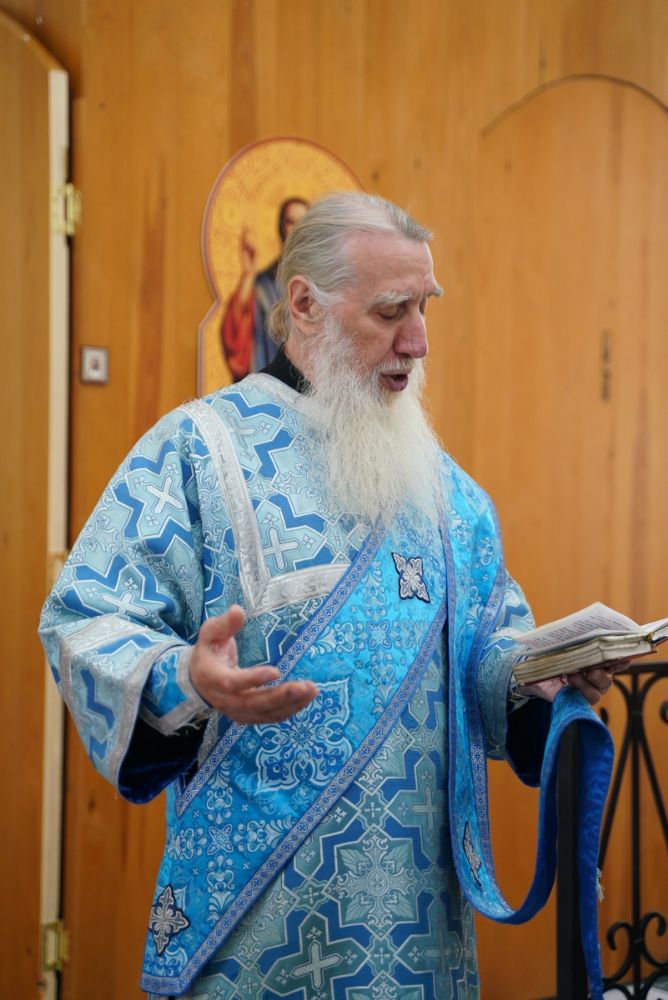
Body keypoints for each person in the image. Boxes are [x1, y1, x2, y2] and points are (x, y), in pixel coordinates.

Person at [39, 193, 616, 1000]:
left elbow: (484, 660)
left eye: (424, 307)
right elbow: (85, 618)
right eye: (390, 311)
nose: (417, 341)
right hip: (255, 925)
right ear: (304, 304)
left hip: (417, 926)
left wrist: (543, 675)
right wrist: (184, 678)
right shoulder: (198, 449)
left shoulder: (451, 498)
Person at [220, 197, 309, 380]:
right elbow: (236, 332)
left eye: (303, 222)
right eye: (290, 222)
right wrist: (248, 274)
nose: (296, 229)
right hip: (270, 380)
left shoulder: (323, 280)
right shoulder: (264, 283)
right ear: (281, 227)